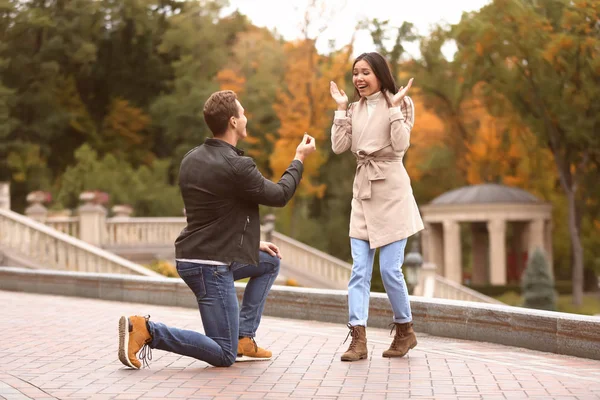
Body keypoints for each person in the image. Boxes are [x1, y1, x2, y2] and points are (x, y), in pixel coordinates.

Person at [118, 90, 316, 369]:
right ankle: (148, 331)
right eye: (243, 113)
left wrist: (250, 243)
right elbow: (280, 195)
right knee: (223, 354)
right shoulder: (237, 165)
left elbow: (213, 213)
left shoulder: (190, 158)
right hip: (209, 265)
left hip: (195, 256)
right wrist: (298, 159)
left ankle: (244, 337)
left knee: (269, 262)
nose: (247, 118)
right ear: (233, 122)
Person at [329, 52, 424, 361]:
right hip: (363, 193)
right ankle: (358, 339)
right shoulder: (353, 109)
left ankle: (405, 330)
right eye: (355, 72)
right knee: (359, 270)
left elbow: (400, 145)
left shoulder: (401, 103)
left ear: (380, 75)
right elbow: (339, 146)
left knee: (389, 269)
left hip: (392, 193)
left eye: (366, 72)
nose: (359, 78)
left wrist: (394, 108)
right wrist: (341, 110)